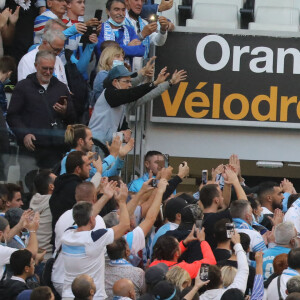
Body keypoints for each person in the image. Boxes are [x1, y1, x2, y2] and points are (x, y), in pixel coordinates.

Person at [7, 50, 76, 171]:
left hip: (54, 148)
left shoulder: (61, 87)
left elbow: (72, 118)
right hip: (30, 148)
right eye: (45, 68)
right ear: (36, 66)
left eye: (51, 68)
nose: (48, 72)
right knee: (28, 184)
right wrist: (24, 134)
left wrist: (65, 111)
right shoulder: (23, 86)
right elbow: (13, 116)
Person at [60, 182, 130, 299]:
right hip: (93, 296)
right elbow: (125, 225)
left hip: (68, 295)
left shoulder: (67, 234)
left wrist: (106, 196)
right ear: (92, 220)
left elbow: (87, 217)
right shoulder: (94, 238)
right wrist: (122, 202)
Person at [89, 64, 186, 145]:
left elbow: (123, 124)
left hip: (106, 146)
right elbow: (132, 94)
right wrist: (154, 83)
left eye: (130, 81)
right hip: (95, 144)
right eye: (126, 81)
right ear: (115, 82)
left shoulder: (121, 102)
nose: (130, 85)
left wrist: (127, 131)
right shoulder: (109, 93)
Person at [52, 181, 112, 296]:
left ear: (75, 197)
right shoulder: (97, 220)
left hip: (60, 278)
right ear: (94, 197)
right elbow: (102, 252)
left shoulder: (63, 217)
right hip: (84, 284)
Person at [49, 150, 102, 232]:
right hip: (71, 238)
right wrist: (99, 172)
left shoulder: (62, 184)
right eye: (87, 165)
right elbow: (87, 195)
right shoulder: (75, 188)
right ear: (78, 169)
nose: (90, 168)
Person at [61, 124, 131, 178]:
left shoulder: (86, 157)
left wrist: (120, 158)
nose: (93, 143)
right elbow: (96, 172)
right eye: (90, 139)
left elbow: (106, 174)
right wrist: (112, 156)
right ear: (81, 141)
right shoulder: (69, 159)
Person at [150, 226, 216, 279]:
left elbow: (170, 251)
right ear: (177, 253)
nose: (180, 244)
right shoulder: (183, 270)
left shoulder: (153, 266)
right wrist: (202, 241)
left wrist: (184, 242)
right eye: (178, 244)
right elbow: (211, 262)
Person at [199, 232, 249, 300]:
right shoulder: (229, 295)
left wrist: (196, 286)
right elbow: (243, 269)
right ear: (221, 279)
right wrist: (237, 244)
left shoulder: (198, 298)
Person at [125, 0, 169, 71]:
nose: (139, 4)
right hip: (125, 69)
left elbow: (158, 41)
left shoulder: (144, 23)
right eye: (136, 0)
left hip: (142, 70)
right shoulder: (121, 22)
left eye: (142, 1)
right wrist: (142, 35)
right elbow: (120, 48)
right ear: (127, 1)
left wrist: (163, 29)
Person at [0, 211, 39, 279]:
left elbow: (8, 237)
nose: (9, 236)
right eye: (7, 232)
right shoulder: (2, 251)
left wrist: (20, 224)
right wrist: (33, 230)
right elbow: (30, 253)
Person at [29, 170, 56, 260]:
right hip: (46, 255)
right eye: (57, 180)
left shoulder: (34, 200)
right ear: (51, 187)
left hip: (32, 253)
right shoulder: (53, 201)